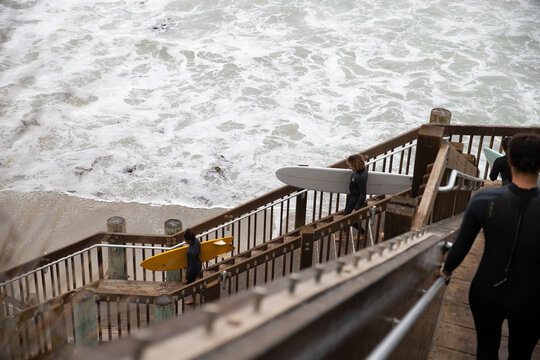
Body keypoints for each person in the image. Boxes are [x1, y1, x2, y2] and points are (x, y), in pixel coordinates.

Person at [440, 133, 540, 359]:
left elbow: (461, 247)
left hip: (487, 291)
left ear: (509, 161)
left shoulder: (483, 200)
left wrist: (446, 271)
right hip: (532, 297)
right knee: (521, 354)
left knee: (486, 349)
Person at [336, 154, 369, 241]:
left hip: (355, 198)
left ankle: (363, 233)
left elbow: (363, 194)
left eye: (350, 164)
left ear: (355, 164)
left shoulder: (360, 176)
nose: (349, 166)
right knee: (345, 215)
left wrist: (356, 208)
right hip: (351, 196)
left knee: (349, 217)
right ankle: (344, 233)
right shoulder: (362, 170)